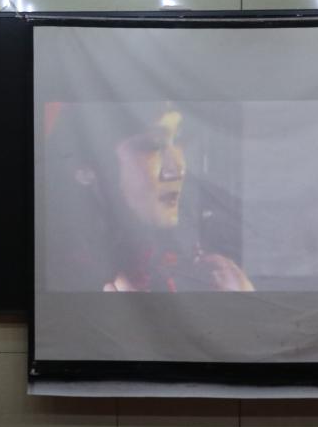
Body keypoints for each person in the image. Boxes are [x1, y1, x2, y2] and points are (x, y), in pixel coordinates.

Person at [42, 101, 254, 293]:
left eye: (179, 142)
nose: (177, 168)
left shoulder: (190, 256)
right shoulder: (57, 272)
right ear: (85, 169)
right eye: (153, 146)